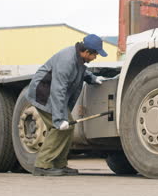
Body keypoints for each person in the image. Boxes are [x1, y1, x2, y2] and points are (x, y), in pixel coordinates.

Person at [27, 34, 107, 176]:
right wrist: (59, 119)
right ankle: (43, 166)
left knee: (68, 126)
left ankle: (59, 164)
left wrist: (93, 78)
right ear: (87, 52)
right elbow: (58, 90)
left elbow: (80, 72)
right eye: (95, 55)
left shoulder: (78, 58)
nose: (95, 58)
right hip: (44, 94)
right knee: (59, 128)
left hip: (52, 94)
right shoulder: (67, 60)